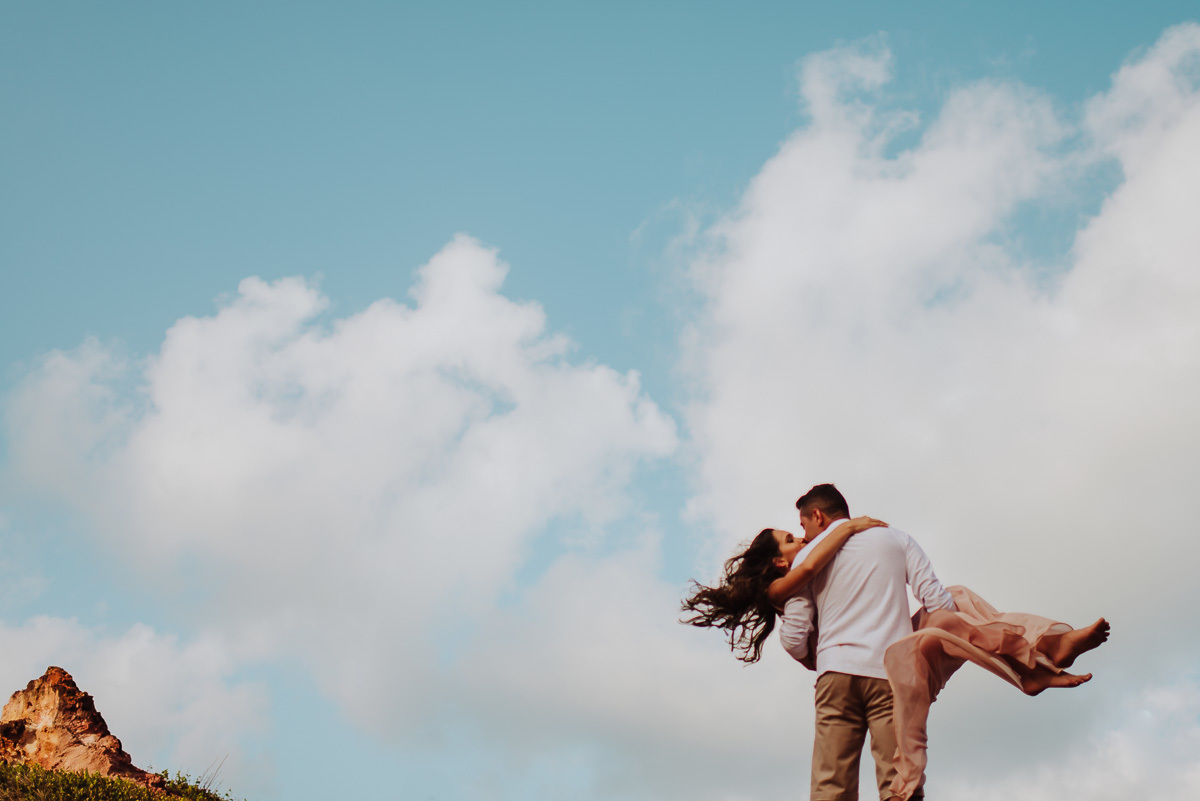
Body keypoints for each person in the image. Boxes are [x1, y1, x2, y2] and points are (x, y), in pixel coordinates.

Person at [682, 483, 1110, 801]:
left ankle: (1035, 661)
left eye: (802, 526)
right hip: (891, 674)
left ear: (818, 517)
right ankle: (1038, 653)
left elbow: (795, 640)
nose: (803, 536)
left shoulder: (809, 562)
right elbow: (937, 601)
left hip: (836, 677)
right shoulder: (895, 538)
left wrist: (820, 656)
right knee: (899, 785)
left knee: (831, 788)